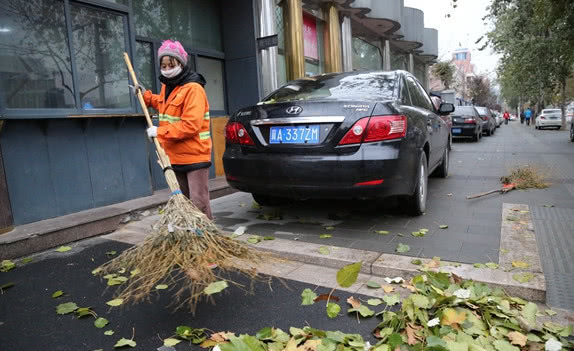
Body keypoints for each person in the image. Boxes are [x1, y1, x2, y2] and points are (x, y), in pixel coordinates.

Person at [133, 40, 213, 219]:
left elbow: (191, 125)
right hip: (175, 156)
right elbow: (162, 103)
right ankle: (188, 235)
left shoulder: (193, 89)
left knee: (198, 202)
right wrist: (145, 96)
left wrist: (159, 132)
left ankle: (205, 239)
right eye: (163, 65)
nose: (167, 69)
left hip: (195, 155)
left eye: (171, 65)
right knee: (183, 202)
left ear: (181, 64)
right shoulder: (168, 86)